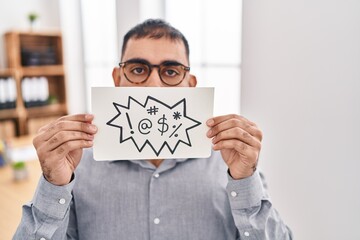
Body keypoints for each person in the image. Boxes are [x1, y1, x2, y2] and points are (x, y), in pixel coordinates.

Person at [14, 19, 292, 240]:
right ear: (117, 79)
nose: (154, 86)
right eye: (138, 70)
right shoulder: (78, 164)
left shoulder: (229, 162)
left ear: (190, 84)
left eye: (171, 72)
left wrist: (245, 181)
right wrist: (54, 184)